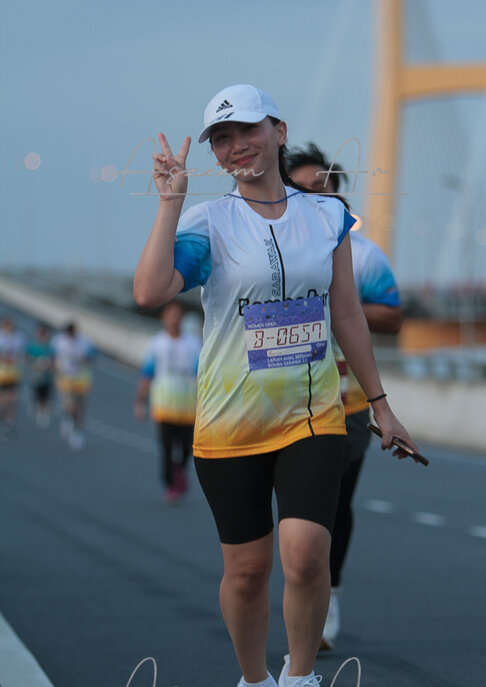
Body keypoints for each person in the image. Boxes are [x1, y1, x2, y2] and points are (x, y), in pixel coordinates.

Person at [133, 84, 419, 687]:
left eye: (248, 130)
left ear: (279, 131)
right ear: (215, 154)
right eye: (222, 139)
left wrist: (381, 405)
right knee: (247, 571)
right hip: (230, 420)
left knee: (307, 554)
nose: (237, 146)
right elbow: (150, 291)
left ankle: (299, 677)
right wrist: (169, 203)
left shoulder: (328, 217)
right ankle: (254, 680)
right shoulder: (208, 224)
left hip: (313, 415)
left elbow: (348, 314)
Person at [285, 144, 402, 649]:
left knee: (333, 504)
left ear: (339, 194)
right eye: (301, 189)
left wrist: (338, 304)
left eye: (324, 188)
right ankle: (298, 591)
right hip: (276, 401)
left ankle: (326, 594)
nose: (315, 196)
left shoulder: (364, 254)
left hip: (345, 403)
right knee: (291, 515)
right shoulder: (267, 251)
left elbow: (392, 317)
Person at [134, 300, 202, 503]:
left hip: (188, 407)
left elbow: (201, 376)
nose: (174, 318)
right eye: (170, 314)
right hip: (163, 406)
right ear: (163, 317)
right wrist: (139, 402)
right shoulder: (156, 344)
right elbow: (147, 375)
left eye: (178, 314)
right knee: (166, 448)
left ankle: (178, 473)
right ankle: (170, 484)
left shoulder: (194, 344)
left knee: (187, 449)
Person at [51, 322, 96, 451]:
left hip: (82, 380)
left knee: (80, 408)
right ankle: (67, 419)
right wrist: (55, 370)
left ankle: (77, 431)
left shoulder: (85, 342)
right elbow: (53, 357)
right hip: (65, 379)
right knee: (69, 405)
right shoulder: (58, 341)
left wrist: (85, 359)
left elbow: (93, 357)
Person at [26, 323, 55, 429]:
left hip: (47, 377)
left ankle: (43, 413)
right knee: (35, 391)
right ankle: (34, 402)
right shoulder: (33, 347)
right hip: (36, 375)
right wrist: (35, 366)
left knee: (45, 395)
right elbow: (27, 359)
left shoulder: (50, 348)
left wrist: (49, 367)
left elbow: (53, 361)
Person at [0, 316, 26, 438]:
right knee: (4, 398)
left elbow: (22, 355)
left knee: (13, 398)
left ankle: (9, 421)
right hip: (2, 372)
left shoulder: (19, 337)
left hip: (14, 372)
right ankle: (4, 414)